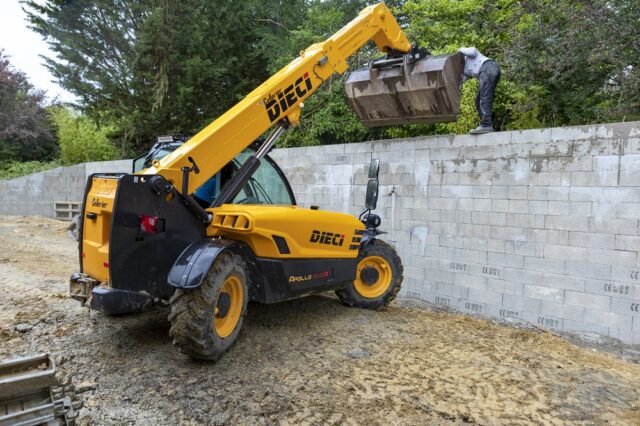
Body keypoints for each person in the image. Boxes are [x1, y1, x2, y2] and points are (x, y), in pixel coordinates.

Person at [458, 47, 501, 134]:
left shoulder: (467, 55)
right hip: (490, 70)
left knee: (484, 97)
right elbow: (459, 81)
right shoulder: (464, 70)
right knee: (478, 101)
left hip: (488, 66)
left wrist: (459, 50)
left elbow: (473, 50)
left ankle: (486, 125)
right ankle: (486, 124)